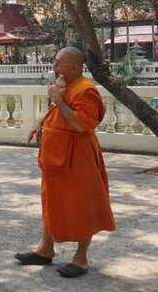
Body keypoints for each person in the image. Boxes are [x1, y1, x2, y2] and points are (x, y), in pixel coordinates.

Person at [17, 47, 116, 278]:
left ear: (75, 66)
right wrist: (40, 123)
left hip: (78, 159)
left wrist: (58, 100)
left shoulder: (86, 90)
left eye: (59, 62)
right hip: (55, 159)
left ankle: (81, 259)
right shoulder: (64, 86)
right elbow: (56, 112)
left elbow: (81, 125)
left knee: (81, 205)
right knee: (51, 201)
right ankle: (45, 249)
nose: (54, 66)